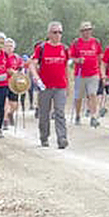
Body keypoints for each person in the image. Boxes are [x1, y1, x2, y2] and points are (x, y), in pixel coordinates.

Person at [30, 21, 70, 149]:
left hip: (60, 86)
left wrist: (68, 84)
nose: (58, 35)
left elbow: (66, 68)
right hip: (45, 86)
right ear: (49, 34)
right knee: (44, 113)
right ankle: (44, 136)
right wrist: (36, 78)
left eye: (60, 32)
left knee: (60, 112)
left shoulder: (64, 49)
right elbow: (32, 64)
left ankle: (62, 138)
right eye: (55, 32)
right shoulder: (41, 48)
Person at [70, 21, 103, 127]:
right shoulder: (76, 43)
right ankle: (78, 115)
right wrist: (78, 60)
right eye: (85, 30)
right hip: (80, 73)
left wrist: (100, 69)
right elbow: (71, 58)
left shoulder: (96, 42)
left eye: (89, 30)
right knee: (79, 97)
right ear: (81, 32)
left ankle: (93, 116)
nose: (87, 32)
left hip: (93, 73)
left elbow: (99, 55)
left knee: (93, 94)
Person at [2, 38, 22, 130]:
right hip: (3, 82)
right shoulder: (1, 57)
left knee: (14, 104)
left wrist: (19, 74)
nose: (9, 48)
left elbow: (20, 68)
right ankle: (4, 120)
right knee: (5, 102)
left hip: (13, 83)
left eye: (11, 46)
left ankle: (10, 114)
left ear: (14, 48)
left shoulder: (17, 58)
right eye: (7, 46)